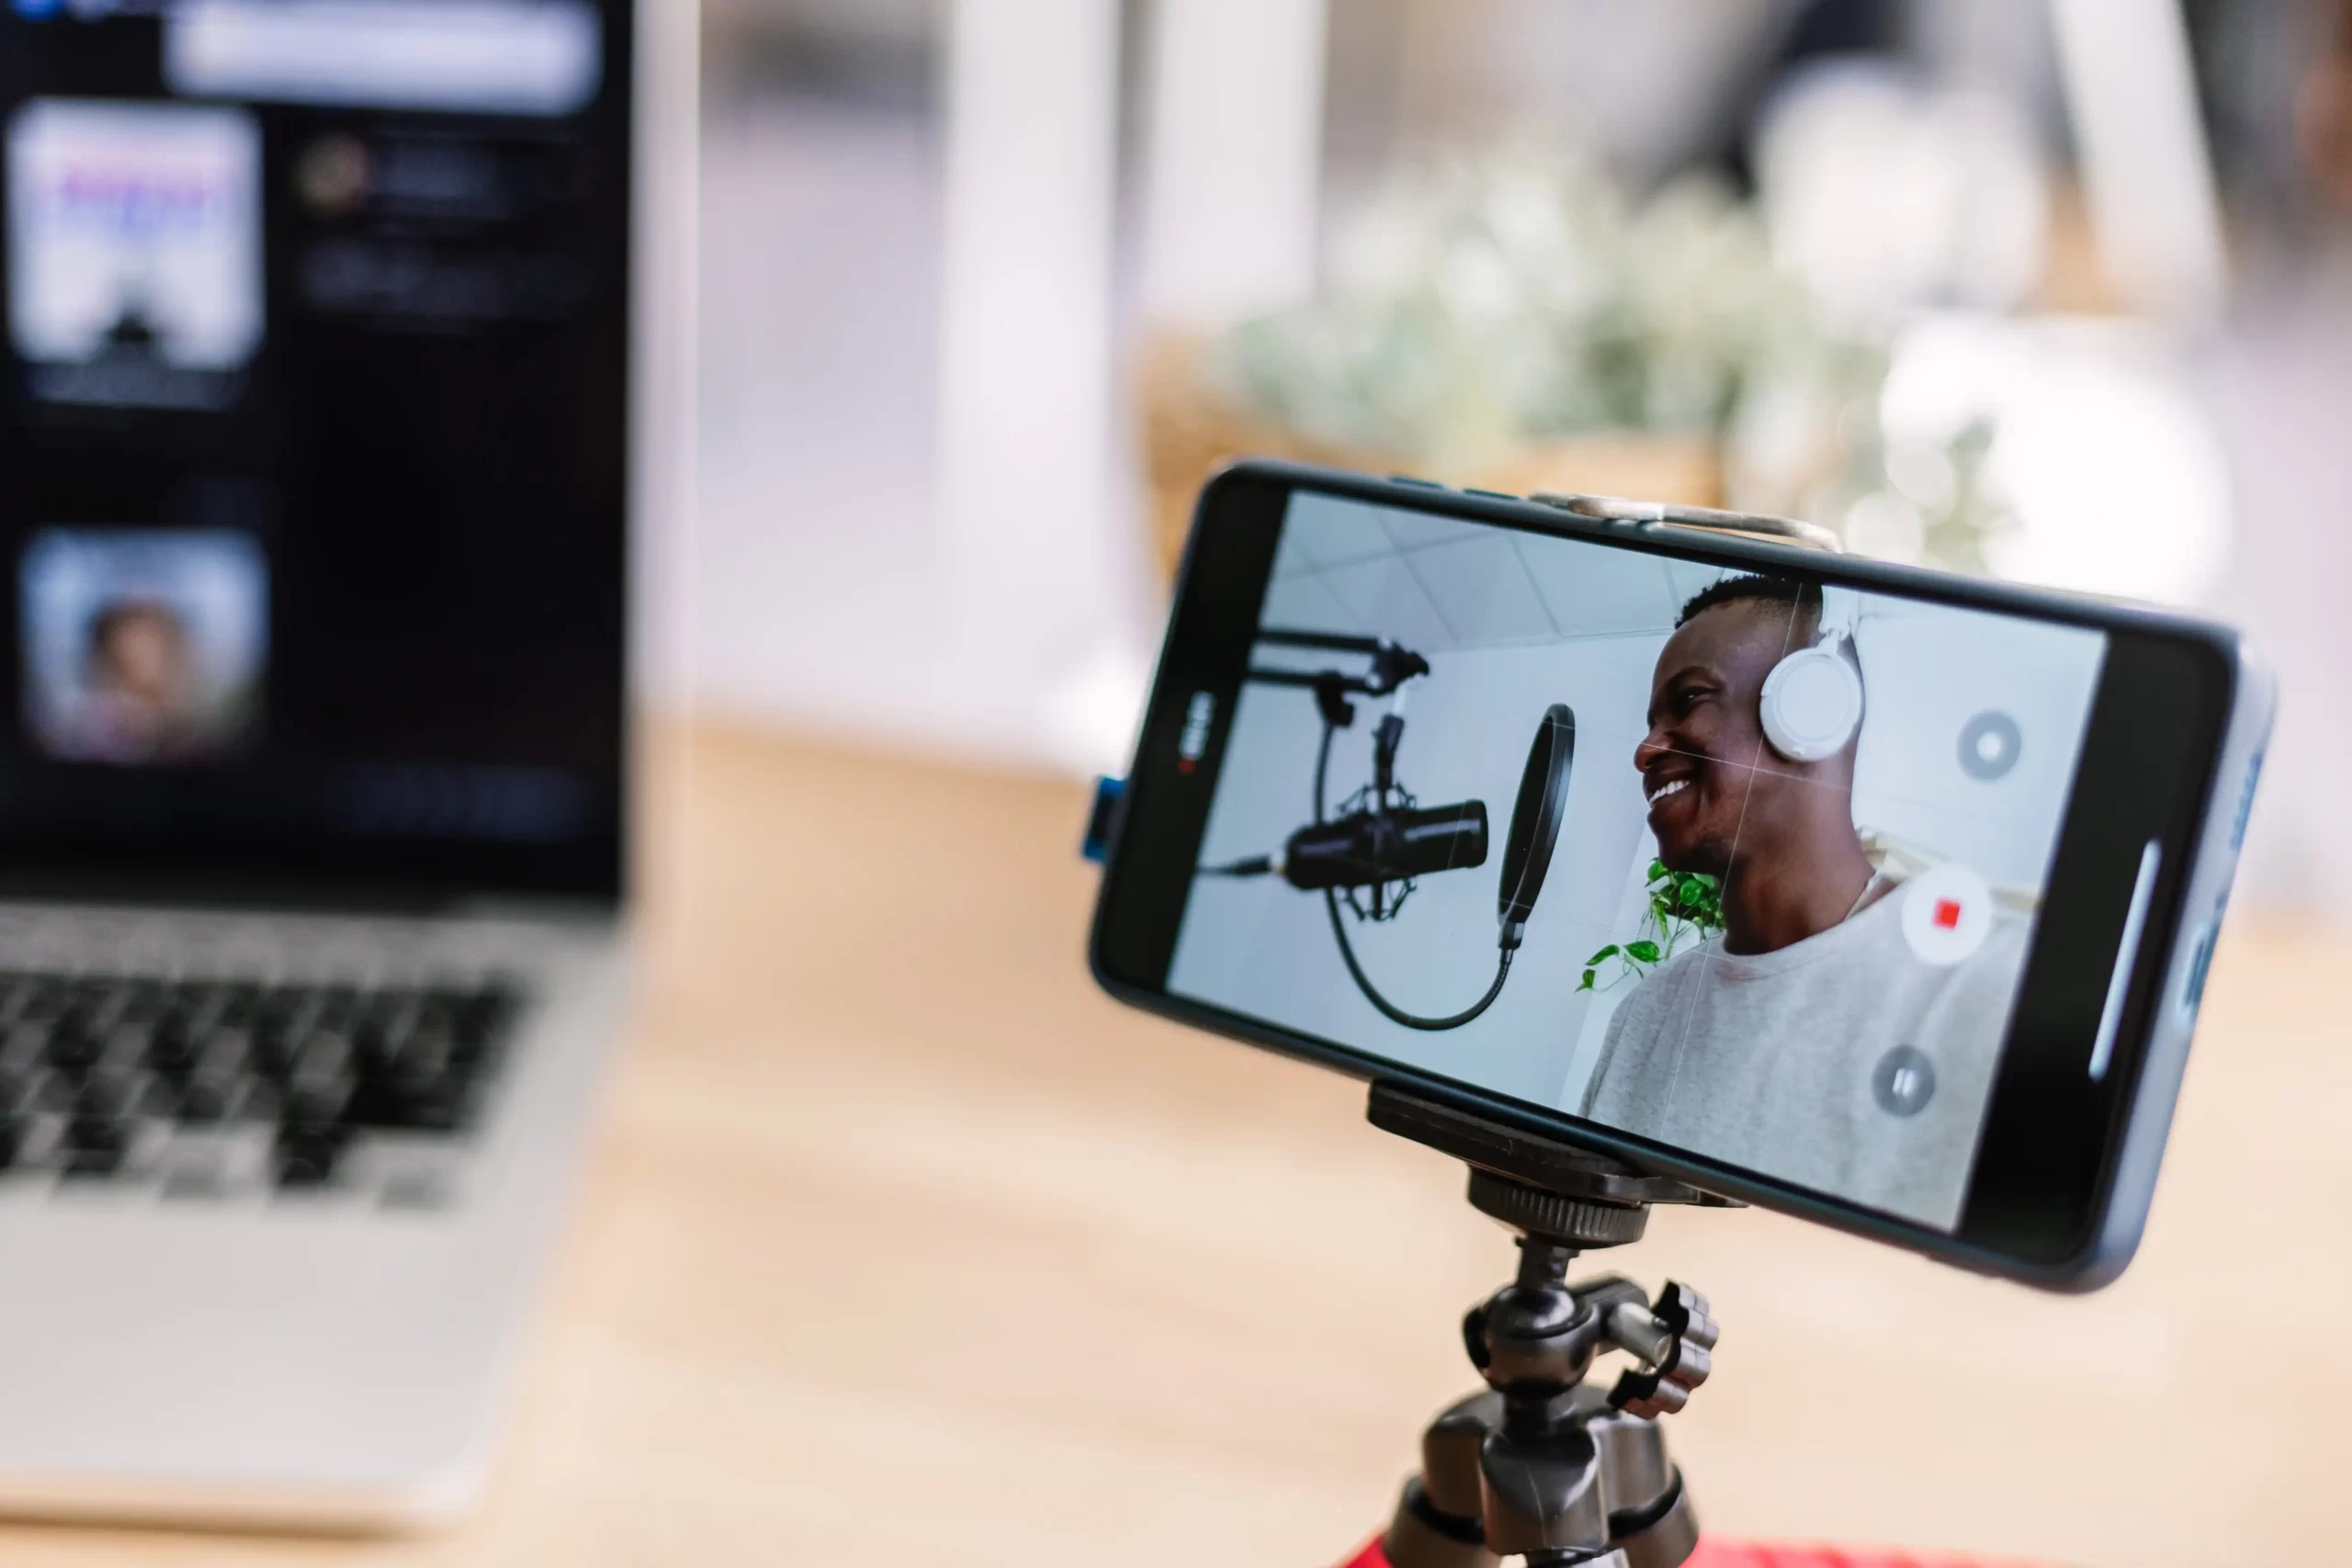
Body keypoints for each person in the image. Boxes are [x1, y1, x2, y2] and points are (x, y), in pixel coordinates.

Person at [1577, 576, 2025, 1229]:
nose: (1646, 751)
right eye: (1652, 725)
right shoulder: (1645, 1016)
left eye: (1690, 699)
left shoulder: (1992, 989)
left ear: (1811, 710)